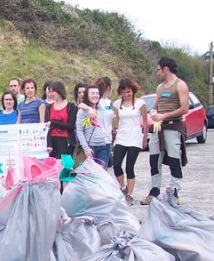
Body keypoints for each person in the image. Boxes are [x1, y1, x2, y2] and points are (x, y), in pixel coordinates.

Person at [140, 56, 190, 205]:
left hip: (173, 127)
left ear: (165, 69)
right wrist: (154, 112)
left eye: (158, 70)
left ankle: (174, 192)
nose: (157, 73)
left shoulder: (180, 85)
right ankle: (154, 190)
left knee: (175, 159)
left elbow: (184, 108)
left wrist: (165, 115)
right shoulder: (160, 87)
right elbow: (155, 106)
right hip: (158, 128)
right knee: (154, 159)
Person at [112, 78, 148, 206]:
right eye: (123, 92)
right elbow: (115, 120)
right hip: (121, 137)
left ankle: (130, 194)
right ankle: (123, 187)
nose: (126, 95)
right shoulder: (117, 104)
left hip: (135, 137)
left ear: (133, 91)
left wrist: (144, 138)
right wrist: (113, 129)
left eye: (128, 92)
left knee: (129, 167)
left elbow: (144, 121)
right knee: (116, 165)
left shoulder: (140, 103)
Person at [75, 85, 111, 169]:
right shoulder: (82, 112)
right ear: (87, 95)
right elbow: (79, 131)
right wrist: (86, 149)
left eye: (97, 93)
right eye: (92, 93)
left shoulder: (100, 109)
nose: (95, 95)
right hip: (90, 146)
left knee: (102, 174)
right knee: (90, 175)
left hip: (103, 146)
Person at [44, 81, 77, 159]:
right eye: (49, 92)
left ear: (59, 91)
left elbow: (70, 126)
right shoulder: (49, 107)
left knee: (64, 167)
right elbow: (47, 127)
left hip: (65, 141)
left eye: (52, 91)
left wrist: (53, 123)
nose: (50, 94)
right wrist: (49, 144)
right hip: (52, 141)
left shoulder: (71, 107)